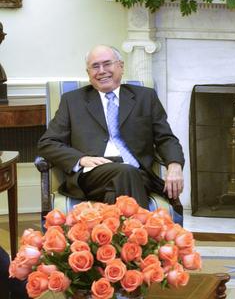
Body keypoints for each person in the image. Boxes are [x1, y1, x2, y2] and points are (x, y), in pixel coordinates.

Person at [38, 45, 184, 210]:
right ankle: (142, 233)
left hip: (137, 173)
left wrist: (175, 165)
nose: (101, 70)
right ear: (88, 74)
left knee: (119, 184)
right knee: (125, 173)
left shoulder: (145, 97)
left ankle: (113, 234)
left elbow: (166, 138)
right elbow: (47, 143)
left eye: (107, 64)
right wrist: (81, 159)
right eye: (95, 66)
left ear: (121, 66)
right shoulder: (72, 101)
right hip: (93, 174)